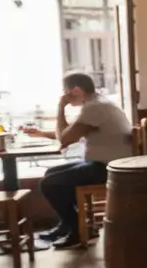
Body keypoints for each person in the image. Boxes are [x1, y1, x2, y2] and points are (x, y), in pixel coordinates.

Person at [22, 72, 133, 249]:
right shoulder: (96, 103)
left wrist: (60, 107)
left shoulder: (95, 107)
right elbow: (70, 133)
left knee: (49, 183)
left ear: (76, 90)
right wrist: (41, 133)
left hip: (109, 167)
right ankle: (72, 224)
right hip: (108, 163)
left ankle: (76, 228)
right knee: (52, 174)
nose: (63, 95)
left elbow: (65, 139)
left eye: (65, 91)